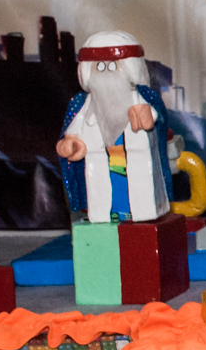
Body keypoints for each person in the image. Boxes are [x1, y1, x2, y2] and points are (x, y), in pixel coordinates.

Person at [57, 30, 172, 224]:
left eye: (114, 66)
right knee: (103, 192)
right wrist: (72, 142)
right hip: (100, 161)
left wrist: (148, 114)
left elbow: (156, 117)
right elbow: (75, 128)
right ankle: (108, 214)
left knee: (137, 192)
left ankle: (137, 213)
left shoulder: (142, 97)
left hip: (136, 159)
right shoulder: (83, 103)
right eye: (99, 66)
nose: (106, 72)